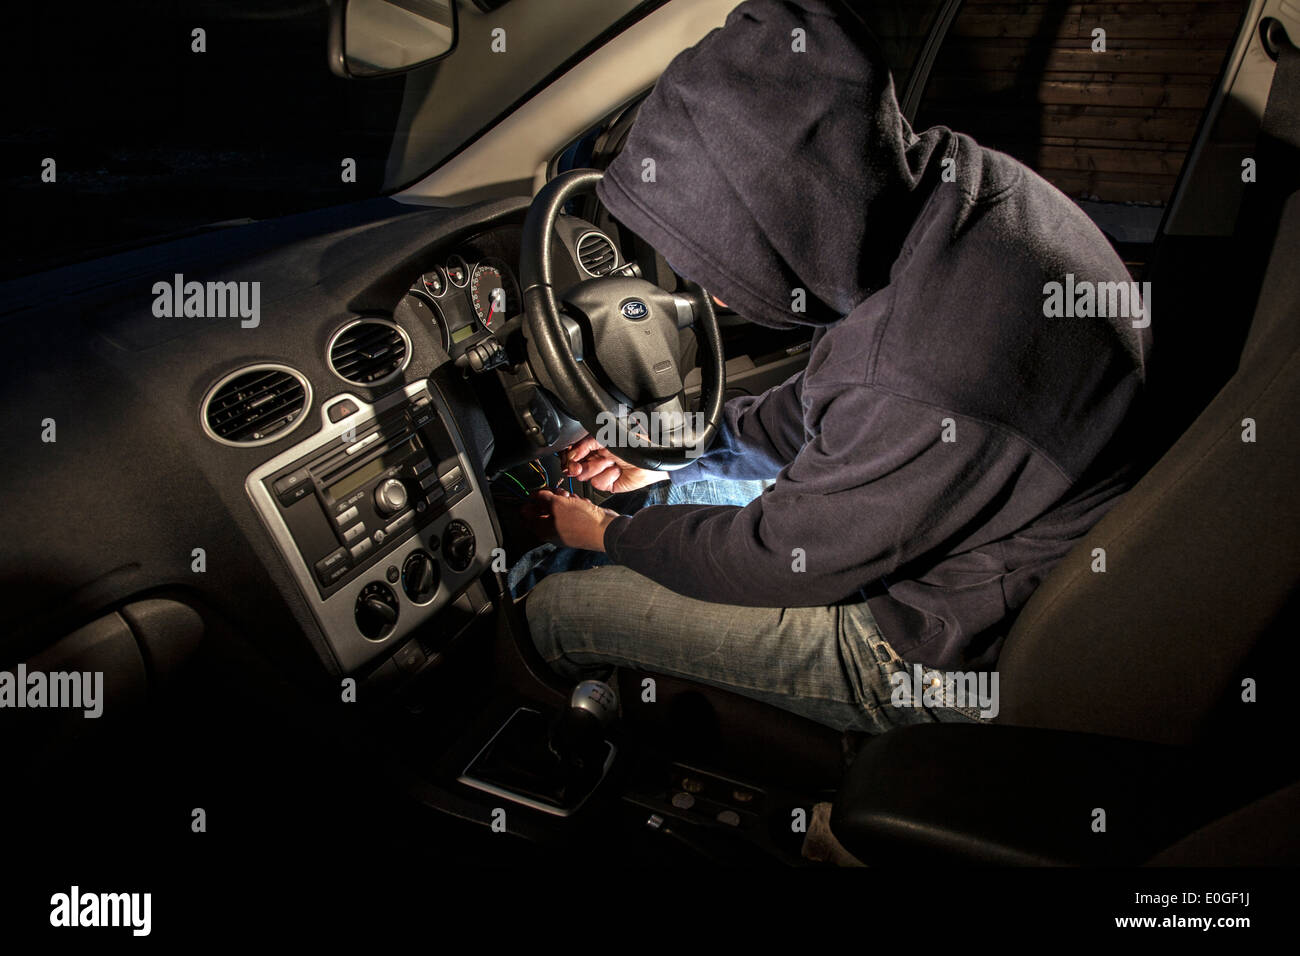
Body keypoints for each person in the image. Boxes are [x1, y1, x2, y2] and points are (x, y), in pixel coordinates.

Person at [515, 0, 1150, 734]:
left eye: (712, 261)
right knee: (677, 494)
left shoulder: (923, 373)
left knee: (556, 607)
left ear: (778, 220)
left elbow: (772, 556)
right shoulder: (961, 192)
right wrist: (678, 454)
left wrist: (597, 533)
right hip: (998, 533)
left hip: (936, 649)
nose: (709, 291)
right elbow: (831, 403)